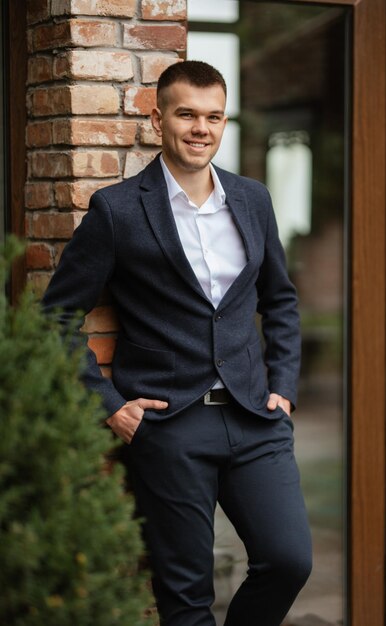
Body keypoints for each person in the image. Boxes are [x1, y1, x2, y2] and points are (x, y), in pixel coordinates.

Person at [42, 60, 312, 626]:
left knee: (288, 561)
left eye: (214, 116)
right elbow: (57, 317)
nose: (201, 128)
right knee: (186, 598)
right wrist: (110, 406)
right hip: (168, 424)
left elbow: (280, 300)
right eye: (186, 113)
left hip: (255, 417)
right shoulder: (117, 211)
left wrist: (283, 386)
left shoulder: (252, 199)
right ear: (157, 116)